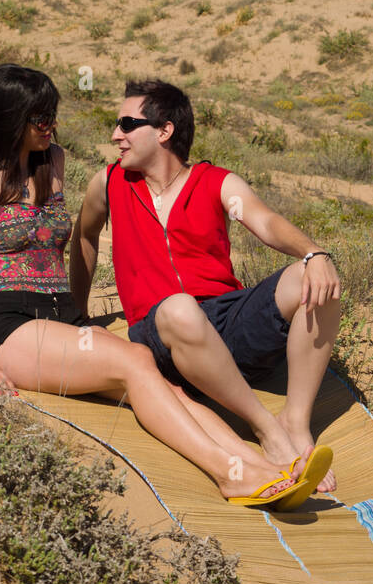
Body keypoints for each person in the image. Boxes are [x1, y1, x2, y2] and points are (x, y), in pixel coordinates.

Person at [0, 64, 320, 509]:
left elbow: (78, 241)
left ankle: (257, 466)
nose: (51, 126)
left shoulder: (53, 163)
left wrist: (79, 319)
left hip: (59, 316)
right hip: (9, 321)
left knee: (165, 386)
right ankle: (226, 473)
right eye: (41, 118)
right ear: (10, 118)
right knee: (137, 361)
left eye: (52, 116)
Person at [71, 79, 342, 493]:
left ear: (164, 131)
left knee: (314, 275)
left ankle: (296, 423)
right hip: (161, 332)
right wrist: (77, 313)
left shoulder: (215, 181)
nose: (116, 135)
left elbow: (264, 221)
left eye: (127, 124)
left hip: (224, 322)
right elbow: (84, 236)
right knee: (179, 307)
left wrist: (314, 253)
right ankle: (268, 432)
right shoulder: (108, 184)